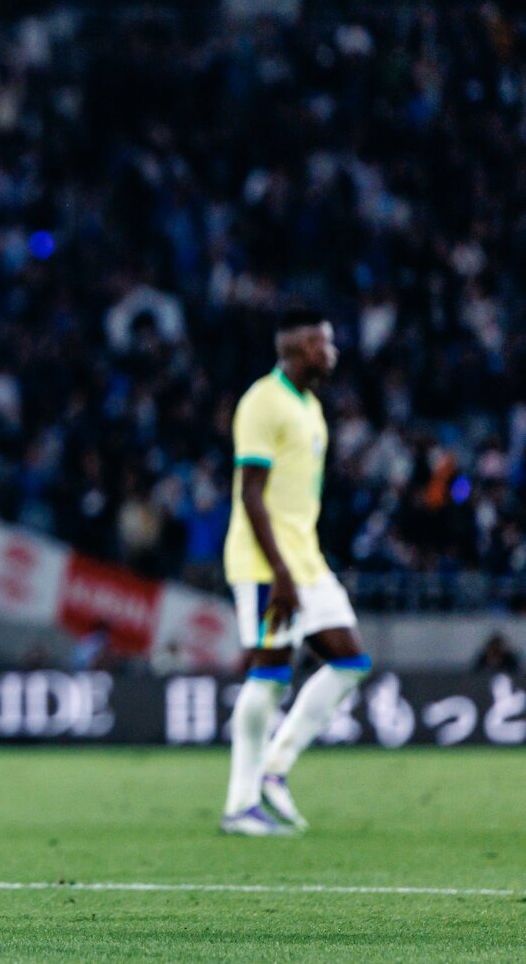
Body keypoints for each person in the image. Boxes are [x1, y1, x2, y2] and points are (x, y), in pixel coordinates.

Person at [220, 309, 373, 836]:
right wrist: (279, 572)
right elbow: (250, 494)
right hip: (268, 563)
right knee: (269, 675)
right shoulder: (263, 402)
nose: (330, 352)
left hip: (305, 559)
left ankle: (274, 769)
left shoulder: (309, 405)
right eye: (321, 344)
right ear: (295, 348)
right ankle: (240, 805)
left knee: (351, 661)